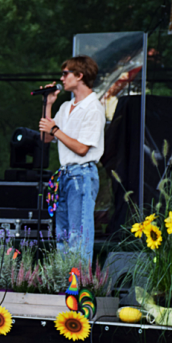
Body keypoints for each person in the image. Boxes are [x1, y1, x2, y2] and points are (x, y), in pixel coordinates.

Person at [39, 55, 105, 264]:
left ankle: (78, 284)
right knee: (62, 234)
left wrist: (56, 129)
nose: (62, 78)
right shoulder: (66, 107)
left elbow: (82, 148)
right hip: (65, 174)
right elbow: (46, 136)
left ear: (80, 75)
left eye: (66, 73)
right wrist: (48, 104)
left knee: (79, 233)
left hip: (82, 174)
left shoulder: (94, 107)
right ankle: (62, 282)